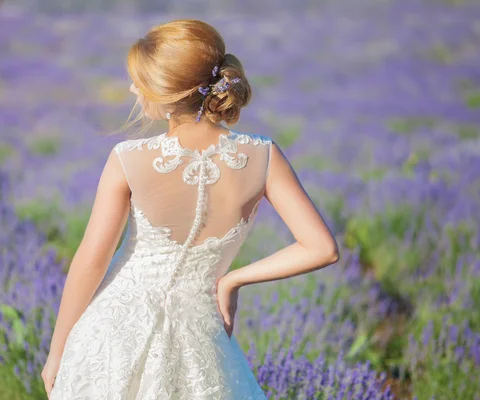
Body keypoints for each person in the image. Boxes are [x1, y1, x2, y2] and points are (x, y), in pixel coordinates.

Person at [42, 19, 339, 399]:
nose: (133, 88)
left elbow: (91, 261)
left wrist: (58, 352)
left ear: (169, 93)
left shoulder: (127, 158)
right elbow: (322, 248)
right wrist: (232, 279)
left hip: (112, 336)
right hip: (202, 341)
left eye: (140, 81)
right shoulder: (264, 155)